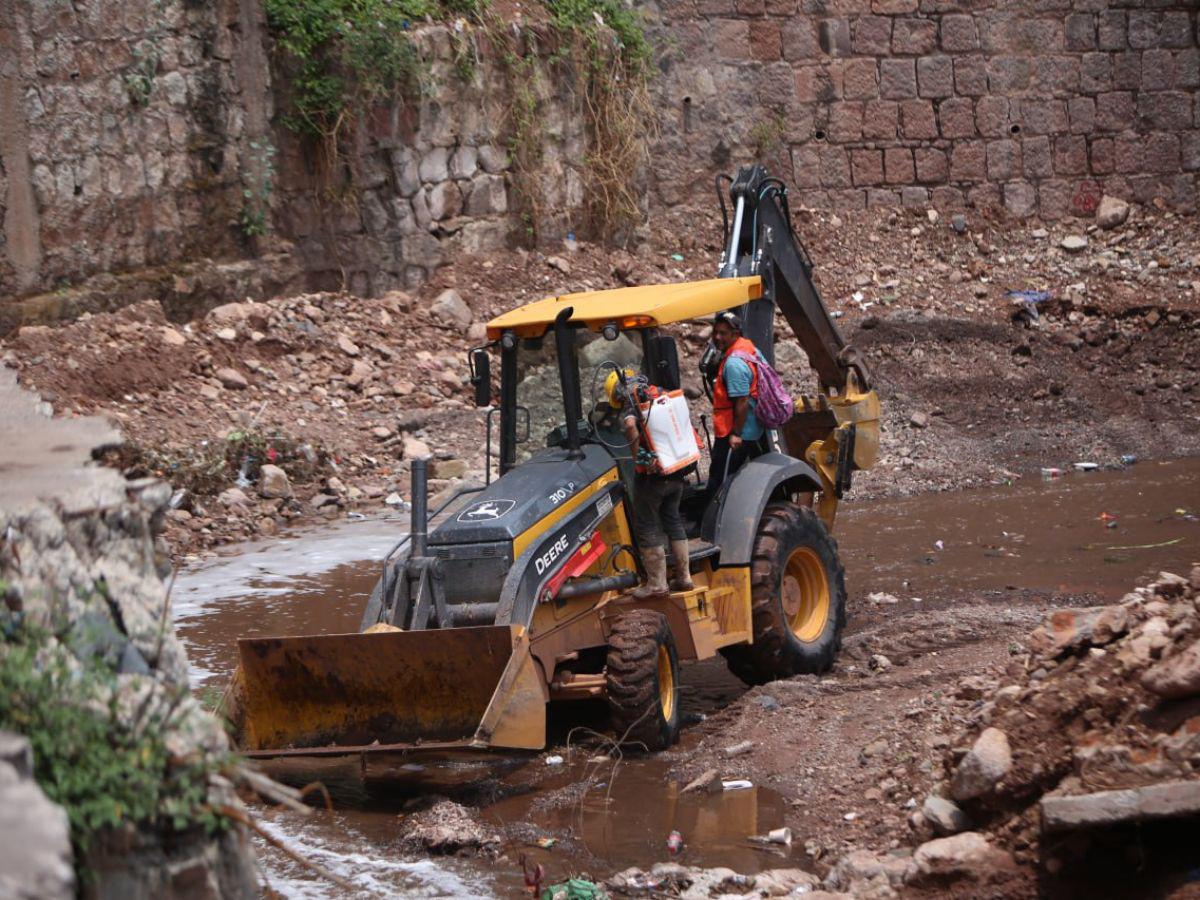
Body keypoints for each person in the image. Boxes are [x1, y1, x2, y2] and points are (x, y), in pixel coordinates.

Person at [605, 368, 695, 600]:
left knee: (647, 525)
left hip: (652, 478)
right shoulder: (659, 393)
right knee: (673, 520)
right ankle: (684, 577)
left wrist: (641, 459)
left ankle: (656, 584)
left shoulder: (631, 404)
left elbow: (629, 427)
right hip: (676, 471)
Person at [704, 310, 764, 508]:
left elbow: (741, 401)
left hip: (737, 431)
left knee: (721, 478)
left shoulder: (734, 364)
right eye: (716, 332)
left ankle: (714, 520)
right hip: (753, 427)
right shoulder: (748, 348)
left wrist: (736, 434)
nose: (718, 337)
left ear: (735, 334)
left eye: (723, 333)